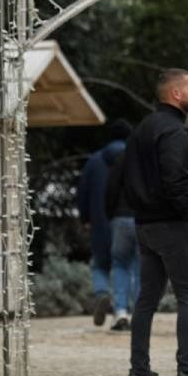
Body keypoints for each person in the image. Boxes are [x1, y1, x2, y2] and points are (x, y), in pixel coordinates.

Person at [120, 69, 188, 376]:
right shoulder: (175, 132)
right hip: (172, 224)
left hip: (144, 225)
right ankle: (187, 372)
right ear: (176, 94)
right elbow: (177, 181)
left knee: (146, 298)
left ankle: (140, 371)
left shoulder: (141, 130)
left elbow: (124, 177)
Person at [77, 119, 130, 328]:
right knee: (127, 266)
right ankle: (123, 310)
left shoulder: (94, 161)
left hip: (100, 222)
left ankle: (101, 293)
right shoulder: (135, 159)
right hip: (129, 220)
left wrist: (86, 219)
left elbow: (83, 192)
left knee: (100, 264)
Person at [101, 120, 139, 332]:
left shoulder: (115, 162)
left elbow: (111, 190)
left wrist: (111, 214)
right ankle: (141, 313)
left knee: (120, 265)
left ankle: (121, 312)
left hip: (120, 218)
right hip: (142, 218)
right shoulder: (144, 159)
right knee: (142, 268)